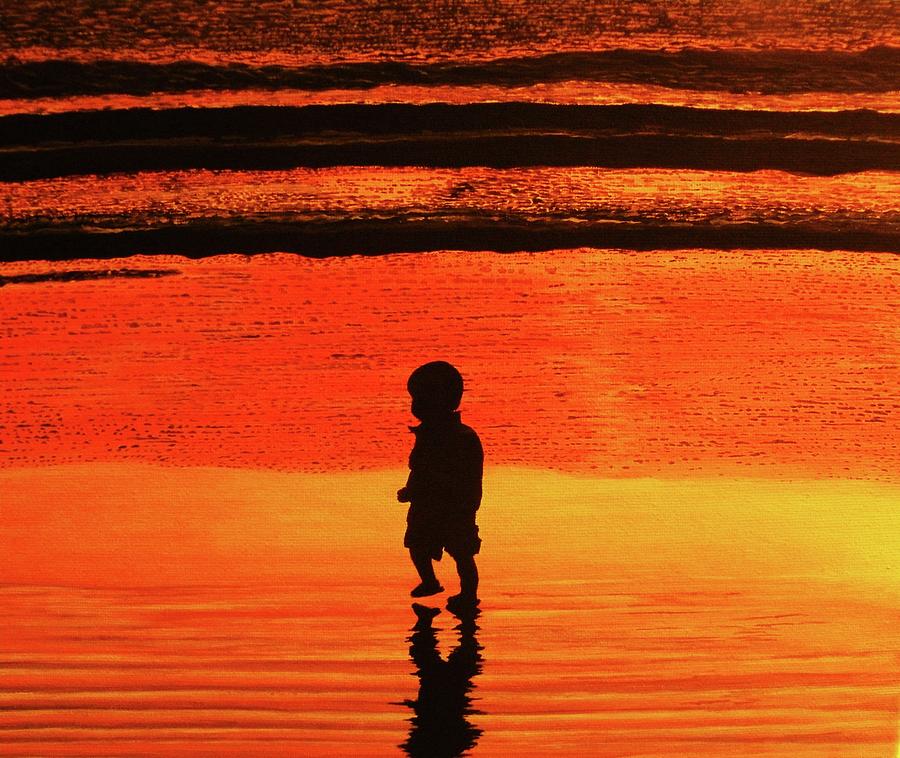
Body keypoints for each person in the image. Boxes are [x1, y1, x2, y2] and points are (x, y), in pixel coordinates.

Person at [397, 361, 483, 611]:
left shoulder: (458, 437)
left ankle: (468, 594)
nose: (416, 405)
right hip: (429, 504)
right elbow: (419, 469)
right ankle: (430, 581)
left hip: (454, 506)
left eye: (421, 399)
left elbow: (438, 473)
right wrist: (410, 490)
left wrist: (416, 491)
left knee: (462, 553)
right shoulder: (429, 434)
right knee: (417, 543)